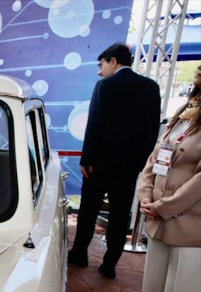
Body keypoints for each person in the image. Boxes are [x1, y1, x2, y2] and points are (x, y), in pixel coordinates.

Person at [125, 64, 201, 292]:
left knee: (183, 291)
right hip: (159, 216)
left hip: (190, 223)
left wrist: (165, 206)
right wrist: (146, 196)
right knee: (155, 283)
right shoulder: (184, 112)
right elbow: (154, 159)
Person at [68, 42, 161, 279]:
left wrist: (86, 159)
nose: (100, 72)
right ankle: (110, 264)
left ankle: (79, 254)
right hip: (130, 167)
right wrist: (141, 163)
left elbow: (94, 125)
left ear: (113, 61)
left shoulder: (105, 86)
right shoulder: (151, 87)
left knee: (88, 211)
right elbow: (153, 129)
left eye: (101, 65)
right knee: (120, 216)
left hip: (99, 164)